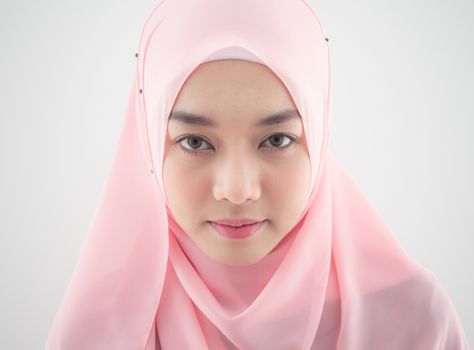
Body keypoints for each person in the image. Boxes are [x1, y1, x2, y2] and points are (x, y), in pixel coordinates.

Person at [45, 0, 471, 349]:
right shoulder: (100, 332)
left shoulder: (412, 324)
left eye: (277, 140)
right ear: (151, 144)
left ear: (318, 140)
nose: (236, 190)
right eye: (195, 142)